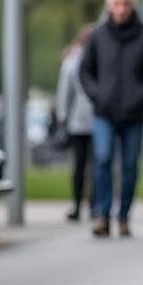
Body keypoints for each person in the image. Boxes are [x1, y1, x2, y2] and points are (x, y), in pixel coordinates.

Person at [79, 0, 143, 238]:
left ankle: (124, 215)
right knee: (103, 160)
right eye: (117, 3)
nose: (121, 8)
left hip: (134, 113)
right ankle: (102, 214)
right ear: (109, 6)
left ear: (133, 6)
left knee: (129, 165)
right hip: (104, 112)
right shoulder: (97, 35)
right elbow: (85, 71)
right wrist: (97, 95)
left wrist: (141, 96)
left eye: (126, 3)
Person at [56, 24, 96, 222]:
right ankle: (80, 203)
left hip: (97, 119)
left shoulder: (98, 58)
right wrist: (63, 116)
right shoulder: (73, 61)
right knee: (82, 165)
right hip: (79, 121)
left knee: (96, 164)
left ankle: (94, 203)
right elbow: (65, 91)